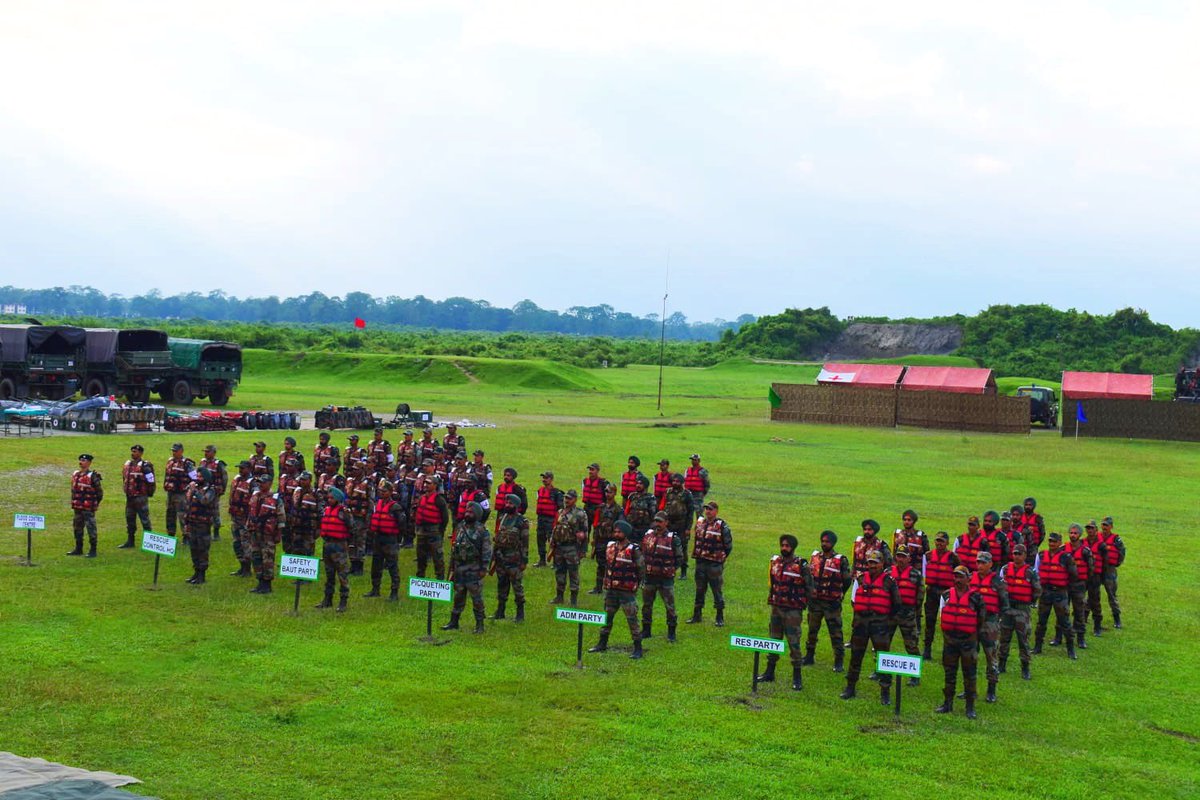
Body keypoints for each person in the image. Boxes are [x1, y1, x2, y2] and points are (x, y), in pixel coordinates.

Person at [841, 551, 901, 704]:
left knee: (883, 658)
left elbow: (897, 604)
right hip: (861, 624)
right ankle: (850, 687)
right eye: (870, 562)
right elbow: (854, 600)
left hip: (879, 625)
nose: (872, 565)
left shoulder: (889, 581)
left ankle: (885, 692)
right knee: (855, 656)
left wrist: (885, 620)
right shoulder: (860, 579)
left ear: (882, 564)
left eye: (875, 562)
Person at [756, 534, 812, 690]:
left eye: (787, 546)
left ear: (793, 548)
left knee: (794, 643)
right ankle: (769, 672)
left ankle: (797, 677)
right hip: (777, 608)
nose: (784, 548)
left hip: (793, 610)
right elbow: (772, 583)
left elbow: (809, 588)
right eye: (782, 545)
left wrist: (802, 605)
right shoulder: (775, 562)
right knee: (773, 640)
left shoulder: (801, 565)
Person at [589, 520, 645, 659]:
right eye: (615, 531)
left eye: (619, 532)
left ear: (625, 534)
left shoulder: (633, 550)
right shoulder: (610, 547)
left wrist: (635, 584)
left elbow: (641, 569)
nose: (616, 534)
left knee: (632, 619)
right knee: (607, 618)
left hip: (626, 591)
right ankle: (602, 643)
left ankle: (638, 648)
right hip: (611, 589)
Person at [935, 566, 986, 719]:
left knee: (969, 674)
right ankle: (947, 703)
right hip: (950, 641)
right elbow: (941, 616)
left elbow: (981, 620)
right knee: (949, 673)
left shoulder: (976, 598)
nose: (957, 580)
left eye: (961, 577)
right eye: (955, 577)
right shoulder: (945, 595)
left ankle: (970, 707)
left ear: (968, 578)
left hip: (968, 642)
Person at [804, 530, 851, 672]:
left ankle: (838, 660)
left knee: (836, 632)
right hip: (815, 602)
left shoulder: (840, 560)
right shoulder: (815, 557)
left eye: (827, 542)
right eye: (823, 541)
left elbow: (847, 580)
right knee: (812, 630)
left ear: (833, 543)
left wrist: (840, 593)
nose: (824, 544)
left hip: (831, 603)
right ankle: (809, 655)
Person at [442, 502, 492, 633]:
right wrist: (452, 567)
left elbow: (486, 551)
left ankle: (480, 625)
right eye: (466, 511)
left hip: (473, 570)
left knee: (476, 599)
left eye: (470, 512)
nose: (467, 514)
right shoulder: (460, 527)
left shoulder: (482, 531)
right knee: (458, 596)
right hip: (460, 569)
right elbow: (455, 548)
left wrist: (483, 569)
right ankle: (454, 622)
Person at [969, 550, 1009, 703]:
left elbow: (1005, 604)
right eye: (978, 562)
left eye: (983, 562)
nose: (980, 565)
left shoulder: (998, 582)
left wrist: (999, 623)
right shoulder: (970, 578)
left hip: (990, 623)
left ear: (990, 564)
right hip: (972, 622)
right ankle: (969, 689)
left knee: (991, 656)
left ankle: (991, 690)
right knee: (970, 657)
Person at [1032, 532, 1078, 660]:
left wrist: (1065, 587)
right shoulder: (1041, 555)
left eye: (1054, 541)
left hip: (1060, 593)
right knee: (1041, 620)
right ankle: (1037, 646)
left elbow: (1073, 574)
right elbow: (1036, 571)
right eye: (1050, 541)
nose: (1052, 544)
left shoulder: (1066, 557)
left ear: (1059, 543)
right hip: (1045, 592)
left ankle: (1071, 649)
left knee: (1065, 621)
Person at [999, 544, 1040, 681]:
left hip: (1022, 609)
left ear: (1024, 555)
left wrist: (1029, 601)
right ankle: (1001, 664)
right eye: (1015, 553)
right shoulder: (1005, 569)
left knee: (1023, 639)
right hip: (1007, 608)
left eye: (1019, 554)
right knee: (1004, 637)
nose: (1016, 556)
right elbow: (1000, 587)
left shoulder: (1030, 572)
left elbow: (1037, 590)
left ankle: (1025, 667)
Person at [641, 512, 684, 643]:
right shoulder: (648, 536)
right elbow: (642, 553)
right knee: (647, 605)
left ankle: (671, 632)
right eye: (656, 521)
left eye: (660, 522)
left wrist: (669, 569)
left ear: (666, 522)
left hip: (666, 579)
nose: (657, 524)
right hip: (650, 577)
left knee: (669, 606)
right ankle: (646, 630)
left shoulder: (673, 539)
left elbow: (679, 558)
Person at [687, 501, 732, 626]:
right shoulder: (700, 523)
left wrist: (719, 558)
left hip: (714, 563)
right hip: (701, 561)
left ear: (716, 511)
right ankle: (697, 615)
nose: (707, 511)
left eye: (710, 509)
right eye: (706, 509)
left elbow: (728, 546)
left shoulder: (722, 526)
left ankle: (719, 616)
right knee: (699, 589)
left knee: (716, 590)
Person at [887, 549, 924, 686]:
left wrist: (915, 612)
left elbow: (920, 595)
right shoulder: (888, 572)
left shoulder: (916, 575)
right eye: (898, 556)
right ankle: (880, 671)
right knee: (883, 642)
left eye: (904, 557)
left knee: (911, 645)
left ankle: (915, 676)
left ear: (909, 558)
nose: (900, 559)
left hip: (907, 614)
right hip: (890, 613)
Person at [491, 493, 530, 622]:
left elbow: (525, 542)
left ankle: (520, 614)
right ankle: (500, 611)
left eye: (510, 503)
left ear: (517, 506)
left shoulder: (522, 522)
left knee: (517, 587)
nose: (507, 505)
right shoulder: (502, 518)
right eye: (506, 503)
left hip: (514, 559)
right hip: (501, 558)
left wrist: (524, 560)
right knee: (501, 585)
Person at [364, 480, 405, 601]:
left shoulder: (395, 507)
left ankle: (394, 592)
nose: (382, 493)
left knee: (392, 566)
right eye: (380, 491)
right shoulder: (378, 504)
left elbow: (402, 524)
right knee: (376, 565)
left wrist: (397, 539)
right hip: (378, 538)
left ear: (390, 492)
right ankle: (375, 589)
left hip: (390, 539)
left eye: (384, 491)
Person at [922, 532, 960, 659]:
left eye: (942, 541)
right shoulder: (927, 556)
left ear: (947, 543)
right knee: (930, 621)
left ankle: (948, 650)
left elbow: (958, 574)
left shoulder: (953, 558)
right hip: (932, 591)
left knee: (947, 621)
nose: (939, 543)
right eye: (937, 540)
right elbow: (923, 573)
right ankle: (927, 649)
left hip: (946, 593)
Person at [316, 487, 353, 612]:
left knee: (342, 574)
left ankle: (343, 601)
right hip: (327, 545)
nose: (329, 500)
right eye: (329, 497)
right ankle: (327, 599)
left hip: (339, 546)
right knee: (329, 574)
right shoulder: (326, 510)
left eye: (332, 498)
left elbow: (351, 527)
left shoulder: (344, 512)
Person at [550, 489, 589, 605]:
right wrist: (552, 542)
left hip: (572, 547)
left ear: (575, 500)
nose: (566, 500)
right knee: (559, 572)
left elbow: (585, 533)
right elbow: (555, 528)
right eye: (565, 498)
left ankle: (573, 599)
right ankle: (559, 596)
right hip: (559, 548)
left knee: (573, 573)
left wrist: (583, 550)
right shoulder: (560, 512)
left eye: (569, 498)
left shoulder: (580, 514)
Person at [183, 468, 218, 585]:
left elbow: (205, 501)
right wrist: (186, 522)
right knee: (194, 548)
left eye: (200, 477)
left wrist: (195, 492)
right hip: (193, 522)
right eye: (197, 476)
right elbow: (188, 505)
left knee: (202, 549)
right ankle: (196, 572)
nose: (198, 479)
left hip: (203, 524)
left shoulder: (210, 490)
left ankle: (202, 575)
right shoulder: (195, 488)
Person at [248, 475, 281, 595]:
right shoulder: (255, 496)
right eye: (259, 483)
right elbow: (250, 512)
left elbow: (281, 517)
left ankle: (267, 585)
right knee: (256, 557)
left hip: (268, 534)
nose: (261, 485)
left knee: (267, 559)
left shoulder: (275, 499)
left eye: (263, 482)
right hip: (255, 533)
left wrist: (278, 534)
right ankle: (260, 582)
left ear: (270, 483)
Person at [1064, 523, 1095, 651]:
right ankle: (1059, 636)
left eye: (1075, 533)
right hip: (1065, 585)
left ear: (1080, 535)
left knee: (1079, 611)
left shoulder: (1086, 552)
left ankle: (1081, 638)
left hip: (1079, 585)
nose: (1073, 535)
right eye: (1071, 533)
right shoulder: (1063, 549)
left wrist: (1084, 582)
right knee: (1063, 611)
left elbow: (1091, 569)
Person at [413, 476, 450, 580]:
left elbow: (445, 518)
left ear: (435, 485)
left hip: (434, 532)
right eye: (425, 483)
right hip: (421, 532)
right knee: (421, 557)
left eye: (429, 483)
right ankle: (420, 579)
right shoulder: (422, 498)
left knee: (437, 558)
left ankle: (440, 579)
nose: (426, 485)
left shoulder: (439, 500)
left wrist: (440, 531)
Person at [590, 483, 625, 594]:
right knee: (600, 564)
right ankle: (598, 587)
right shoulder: (600, 507)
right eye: (606, 491)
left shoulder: (618, 509)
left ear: (614, 493)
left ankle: (611, 587)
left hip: (611, 541)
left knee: (612, 565)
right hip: (600, 539)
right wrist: (594, 539)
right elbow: (595, 524)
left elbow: (620, 525)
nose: (607, 494)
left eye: (610, 492)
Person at [659, 473, 695, 578]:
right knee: (666, 546)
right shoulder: (667, 492)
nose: (675, 483)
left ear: (682, 482)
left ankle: (683, 571)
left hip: (682, 525)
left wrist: (688, 528)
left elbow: (690, 512)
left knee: (682, 548)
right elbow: (663, 506)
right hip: (669, 524)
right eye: (674, 481)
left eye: (677, 481)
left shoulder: (687, 494)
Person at [119, 444, 155, 549]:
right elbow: (124, 478)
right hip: (130, 497)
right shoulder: (128, 465)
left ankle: (149, 543)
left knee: (145, 520)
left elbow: (151, 481)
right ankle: (130, 541)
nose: (133, 453)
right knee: (130, 519)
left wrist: (149, 493)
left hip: (140, 497)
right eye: (132, 451)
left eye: (135, 451)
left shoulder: (145, 466)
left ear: (141, 453)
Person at [68, 453, 103, 558]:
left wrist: (93, 503)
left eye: (83, 461)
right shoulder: (76, 474)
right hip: (78, 507)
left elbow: (99, 493)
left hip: (88, 508)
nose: (81, 462)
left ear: (89, 463)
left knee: (91, 528)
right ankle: (78, 548)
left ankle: (93, 549)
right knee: (77, 528)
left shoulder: (92, 476)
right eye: (80, 460)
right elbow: (73, 490)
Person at [344, 461, 374, 576]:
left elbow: (371, 502)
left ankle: (359, 566)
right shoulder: (349, 481)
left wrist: (369, 518)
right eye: (353, 469)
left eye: (356, 469)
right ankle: (352, 564)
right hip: (349, 515)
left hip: (361, 516)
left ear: (362, 470)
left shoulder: (368, 484)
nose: (354, 471)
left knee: (360, 541)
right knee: (351, 540)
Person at [1097, 516, 1126, 629]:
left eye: (1107, 525)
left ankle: (1117, 619)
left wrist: (1116, 564)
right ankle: (1085, 616)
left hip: (1110, 570)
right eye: (1103, 525)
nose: (1104, 527)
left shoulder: (1116, 539)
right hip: (1098, 569)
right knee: (1093, 594)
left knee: (1112, 595)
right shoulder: (1096, 537)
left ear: (1111, 527)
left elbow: (1122, 552)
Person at [163, 443, 194, 542]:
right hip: (171, 493)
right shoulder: (170, 461)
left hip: (181, 494)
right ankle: (171, 534)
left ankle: (186, 536)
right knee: (170, 514)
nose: (174, 452)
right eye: (173, 450)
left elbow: (194, 478)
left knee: (182, 515)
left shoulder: (187, 463)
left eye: (176, 451)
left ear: (181, 451)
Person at [227, 461, 254, 576]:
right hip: (235, 517)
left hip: (245, 519)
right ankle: (242, 566)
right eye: (239, 468)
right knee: (237, 543)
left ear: (249, 469)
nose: (240, 470)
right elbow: (231, 495)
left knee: (245, 543)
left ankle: (247, 568)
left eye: (242, 468)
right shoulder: (237, 479)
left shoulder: (253, 484)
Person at [533, 471, 564, 568]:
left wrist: (557, 522)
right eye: (543, 478)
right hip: (541, 518)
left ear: (551, 479)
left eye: (546, 478)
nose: (544, 480)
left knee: (553, 541)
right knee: (540, 539)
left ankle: (556, 562)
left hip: (551, 520)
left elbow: (560, 508)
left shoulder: (557, 493)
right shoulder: (539, 491)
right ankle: (542, 560)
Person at [198, 445, 228, 542]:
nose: (205, 453)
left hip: (214, 491)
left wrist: (222, 490)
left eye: (208, 452)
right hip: (203, 490)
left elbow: (224, 478)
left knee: (214, 511)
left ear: (213, 453)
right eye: (205, 451)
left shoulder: (218, 464)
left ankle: (216, 532)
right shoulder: (202, 462)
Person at [1083, 520, 1106, 636]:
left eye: (1092, 528)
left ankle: (1097, 626)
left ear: (1096, 530)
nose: (1090, 530)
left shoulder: (1102, 545)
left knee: (1095, 600)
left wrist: (1103, 577)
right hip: (1083, 576)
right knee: (1079, 600)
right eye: (1088, 528)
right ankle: (1081, 622)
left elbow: (1105, 563)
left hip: (1095, 576)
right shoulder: (1082, 543)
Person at [289, 471, 320, 556]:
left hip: (309, 528)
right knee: (296, 551)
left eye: (304, 480)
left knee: (308, 551)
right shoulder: (297, 492)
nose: (302, 481)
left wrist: (318, 528)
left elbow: (320, 511)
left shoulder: (316, 493)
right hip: (297, 527)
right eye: (301, 479)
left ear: (310, 480)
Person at [580, 462, 607, 538]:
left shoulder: (603, 483)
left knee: (598, 532)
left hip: (598, 509)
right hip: (587, 508)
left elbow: (606, 497)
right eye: (589, 470)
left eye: (592, 470)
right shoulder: (585, 481)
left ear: (597, 471)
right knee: (584, 530)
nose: (590, 472)